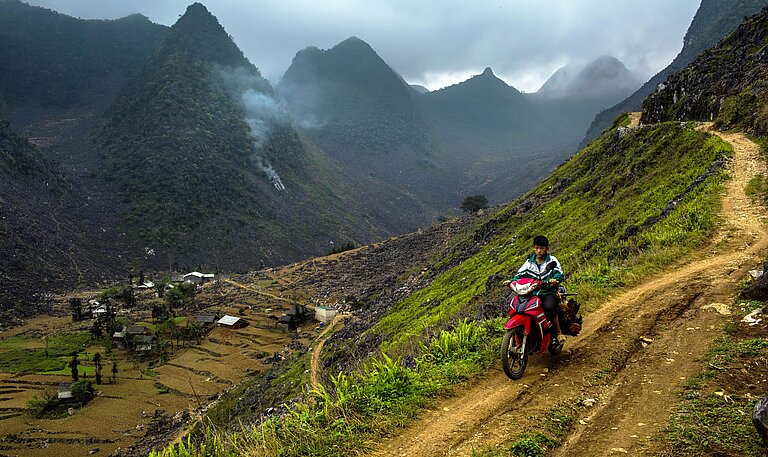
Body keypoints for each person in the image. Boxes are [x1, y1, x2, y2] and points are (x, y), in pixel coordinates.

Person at [511, 235, 566, 344]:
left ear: (547, 249)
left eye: (541, 248)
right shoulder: (529, 262)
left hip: (548, 292)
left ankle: (558, 333)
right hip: (531, 292)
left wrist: (555, 280)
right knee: (518, 306)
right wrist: (512, 281)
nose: (539, 251)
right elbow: (520, 274)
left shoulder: (552, 260)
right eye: (536, 248)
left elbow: (559, 274)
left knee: (548, 307)